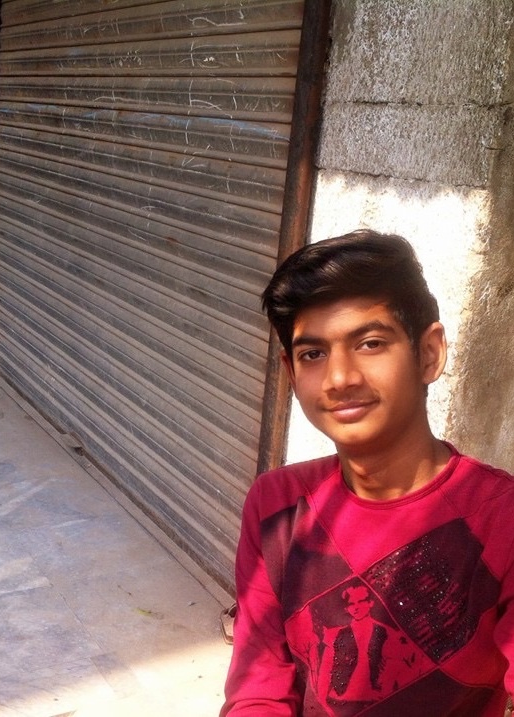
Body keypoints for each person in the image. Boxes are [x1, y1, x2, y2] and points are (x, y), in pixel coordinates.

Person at [220, 229, 514, 716]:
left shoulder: (500, 518)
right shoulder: (278, 505)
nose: (340, 379)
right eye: (313, 354)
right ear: (291, 373)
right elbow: (260, 686)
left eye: (371, 343)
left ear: (429, 353)